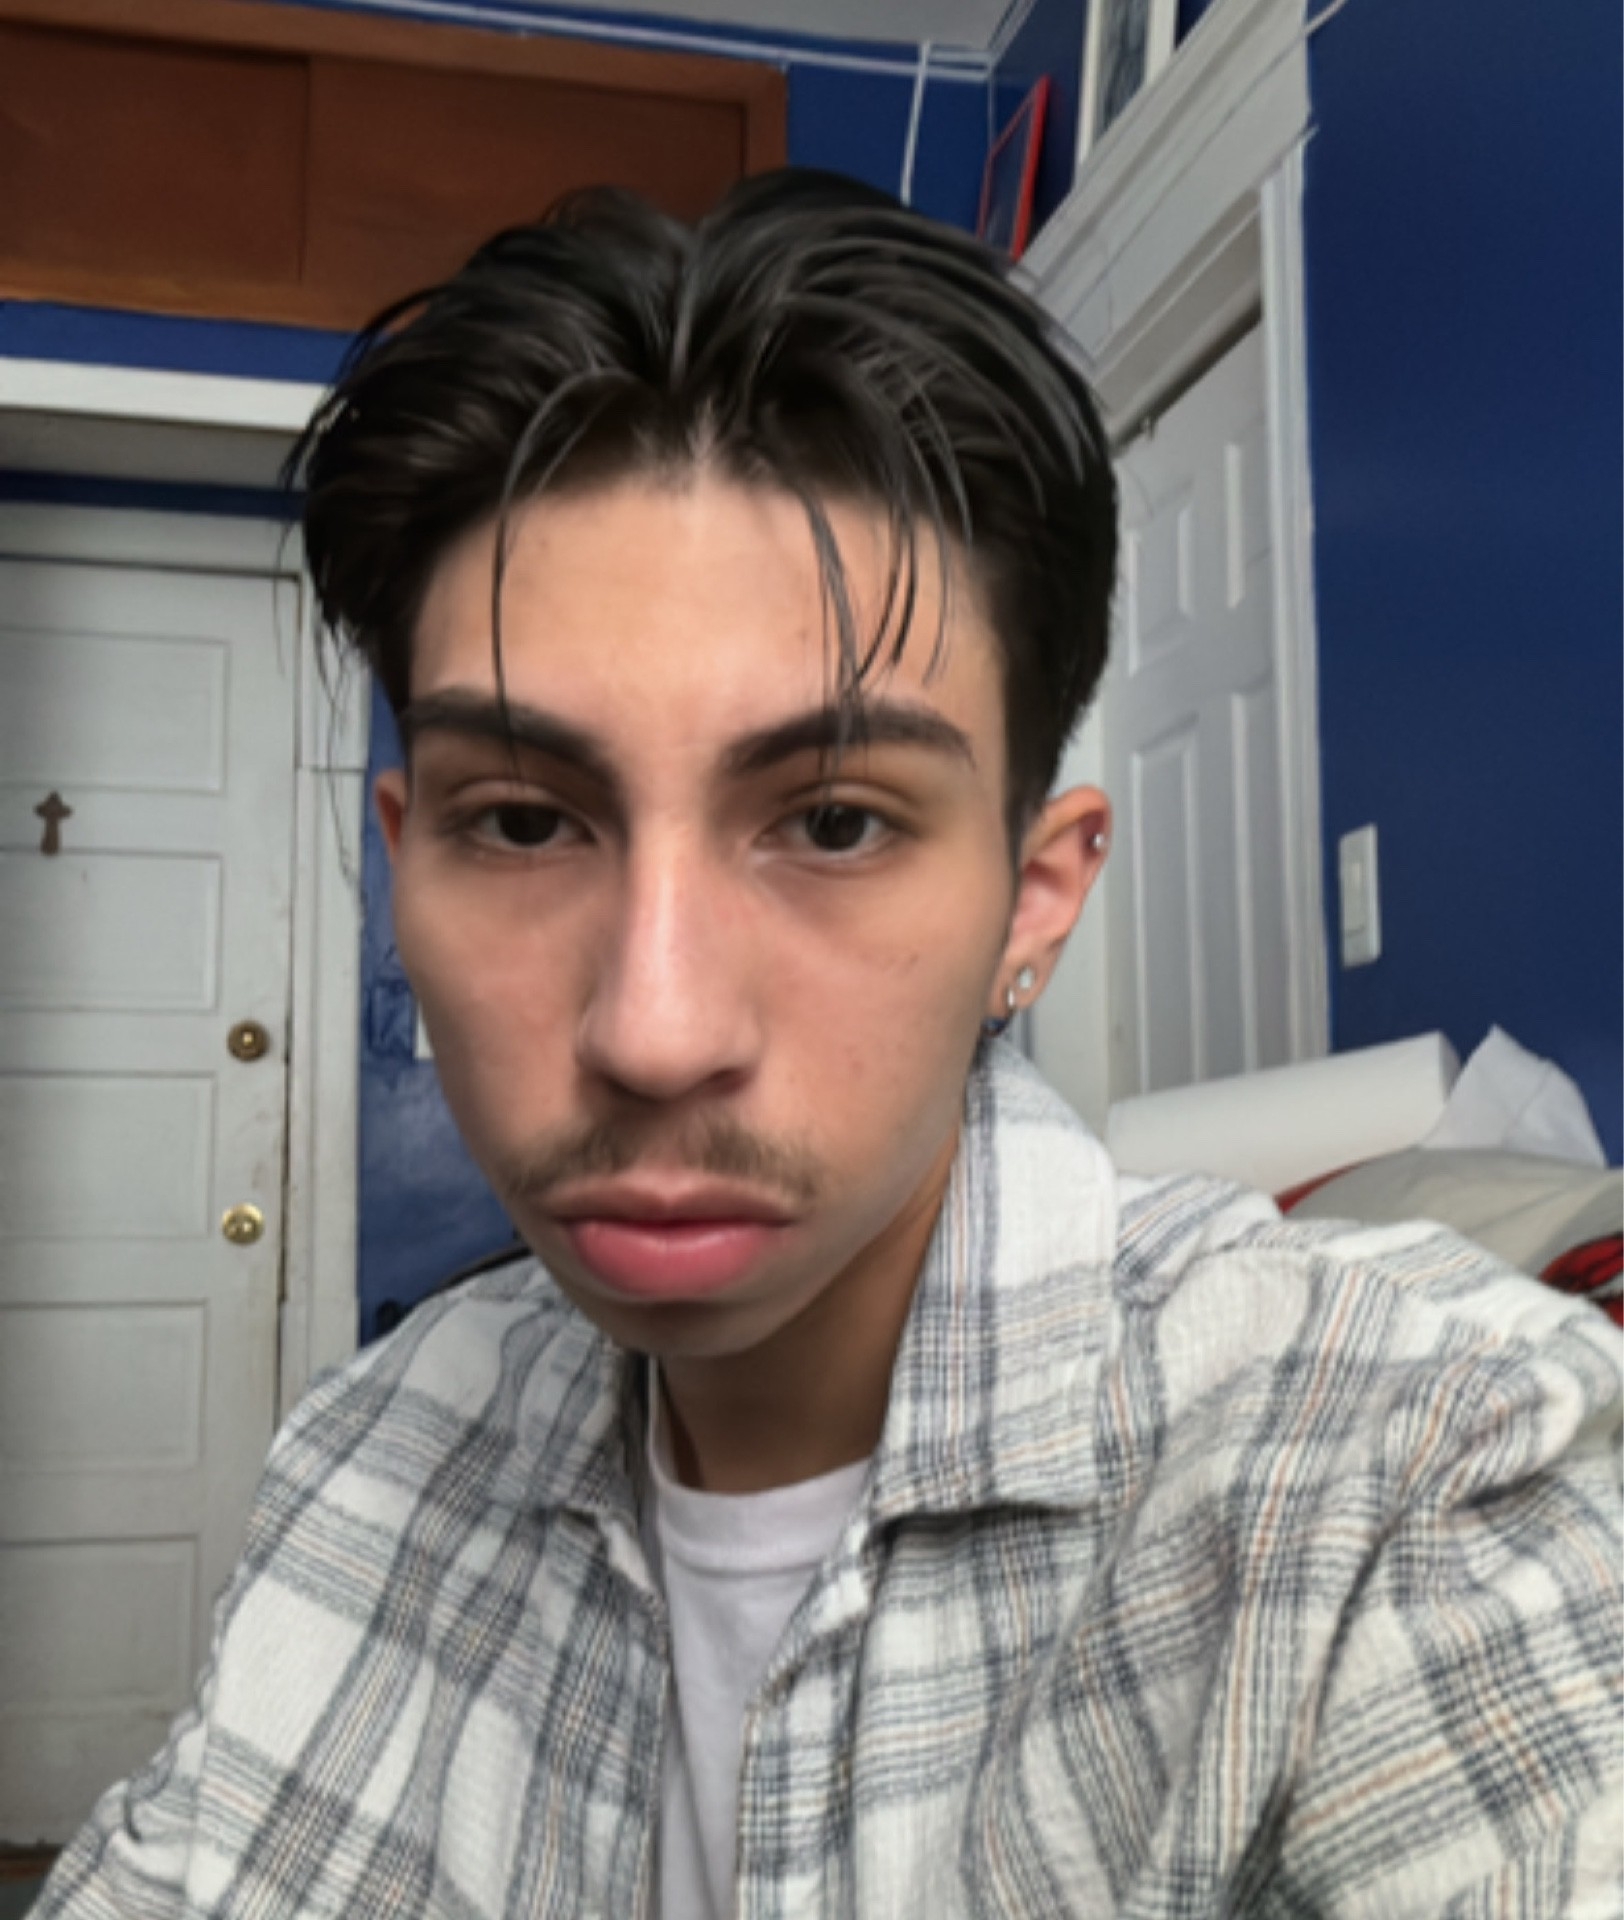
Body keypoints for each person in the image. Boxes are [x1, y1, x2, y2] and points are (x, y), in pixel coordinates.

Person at [35, 171, 1620, 1920]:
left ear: (1033, 899)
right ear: (404, 863)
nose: (656, 1033)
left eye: (838, 823)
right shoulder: (375, 1451)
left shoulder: (1411, 1476)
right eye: (526, 823)